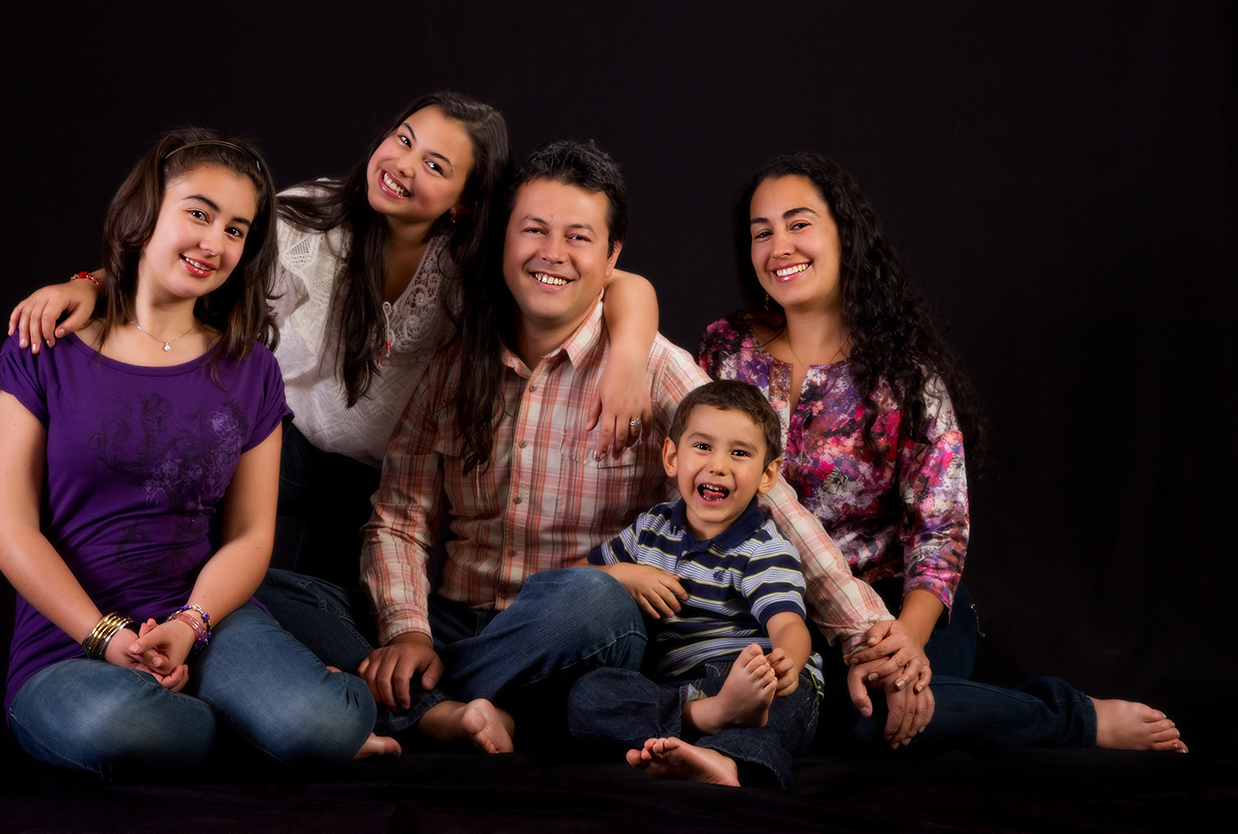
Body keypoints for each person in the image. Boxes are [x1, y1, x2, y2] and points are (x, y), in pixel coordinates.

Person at [258, 141, 895, 755]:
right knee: (274, 591)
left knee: (590, 599)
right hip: (454, 617)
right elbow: (400, 517)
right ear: (504, 240)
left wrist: (865, 634)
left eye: (578, 237)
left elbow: (767, 498)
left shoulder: (650, 366)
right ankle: (453, 708)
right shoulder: (453, 364)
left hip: (579, 629)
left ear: (612, 256)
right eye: (533, 230)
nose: (552, 254)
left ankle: (424, 702)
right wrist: (407, 632)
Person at [6, 94, 659, 583]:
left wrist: (627, 360)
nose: (403, 165)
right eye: (403, 140)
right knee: (197, 522)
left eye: (434, 165)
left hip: (374, 482)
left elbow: (622, 282)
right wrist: (91, 285)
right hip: (280, 445)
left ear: (462, 202)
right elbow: (194, 263)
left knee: (324, 616)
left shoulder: (472, 264)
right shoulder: (304, 222)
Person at [699, 151, 1186, 753]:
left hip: (898, 602)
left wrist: (903, 640)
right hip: (767, 603)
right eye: (762, 233)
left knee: (866, 718)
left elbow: (941, 531)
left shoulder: (904, 376)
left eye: (799, 224)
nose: (780, 248)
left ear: (845, 234)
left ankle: (1071, 717)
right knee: (773, 698)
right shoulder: (727, 350)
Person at [0, 129, 393, 781]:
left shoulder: (251, 369)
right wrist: (105, 636)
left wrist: (189, 625)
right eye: (199, 213)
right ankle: (254, 728)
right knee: (118, 728)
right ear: (144, 211)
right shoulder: (45, 348)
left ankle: (288, 717)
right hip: (68, 639)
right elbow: (8, 530)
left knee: (325, 723)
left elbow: (251, 535)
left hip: (205, 623)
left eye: (236, 230)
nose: (214, 242)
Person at [567, 380, 820, 790]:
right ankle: (707, 718)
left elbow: (789, 623)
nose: (718, 465)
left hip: (745, 673)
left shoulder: (764, 548)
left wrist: (784, 663)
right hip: (677, 689)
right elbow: (575, 578)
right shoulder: (650, 530)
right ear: (672, 457)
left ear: (768, 474)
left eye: (739, 453)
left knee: (781, 705)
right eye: (703, 446)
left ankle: (725, 759)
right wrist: (624, 574)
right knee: (589, 694)